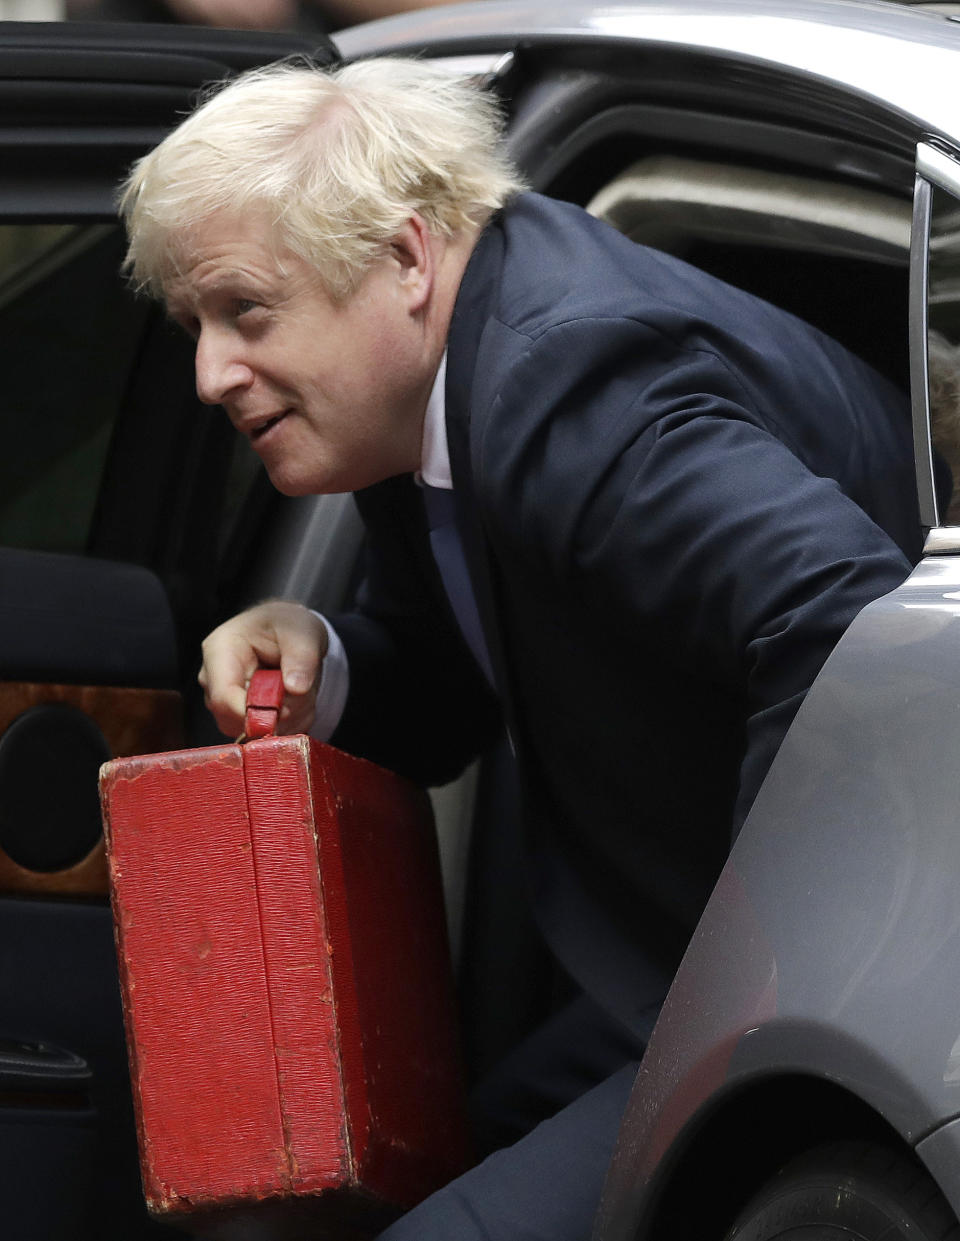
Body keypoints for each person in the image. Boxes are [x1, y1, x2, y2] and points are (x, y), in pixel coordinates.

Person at [118, 58, 922, 1239]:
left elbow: (842, 620)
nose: (208, 373)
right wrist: (326, 658)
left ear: (403, 258)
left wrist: (752, 981)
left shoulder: (562, 381)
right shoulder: (420, 387)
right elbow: (448, 694)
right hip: (658, 962)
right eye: (194, 324)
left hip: (823, 972)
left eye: (245, 310)